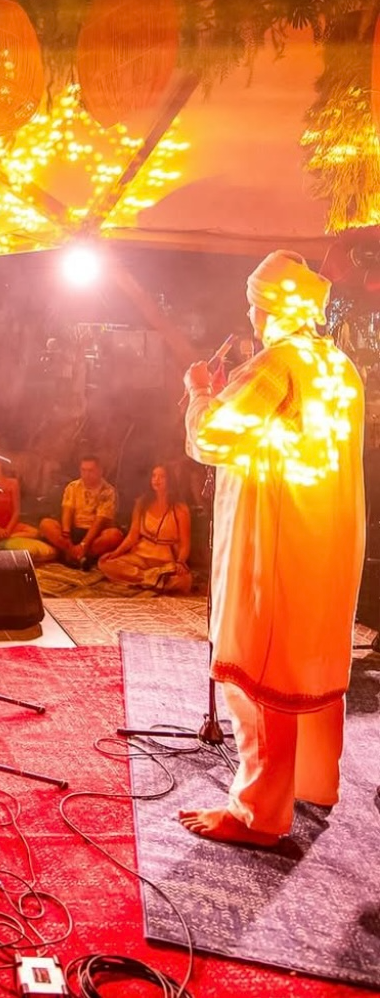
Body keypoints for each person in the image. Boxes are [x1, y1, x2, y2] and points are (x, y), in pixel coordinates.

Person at [178, 251, 364, 848]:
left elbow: (211, 437)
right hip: (326, 542)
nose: (250, 316)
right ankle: (313, 782)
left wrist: (199, 392)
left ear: (269, 308)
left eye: (253, 305)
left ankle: (257, 814)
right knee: (310, 660)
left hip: (276, 544)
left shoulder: (276, 365)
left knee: (260, 669)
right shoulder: (339, 366)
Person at [98, 464, 192, 594]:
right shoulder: (142, 503)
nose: (156, 480)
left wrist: (180, 562)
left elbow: (185, 544)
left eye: (162, 477)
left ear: (170, 480)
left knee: (184, 581)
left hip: (165, 562)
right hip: (140, 557)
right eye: (154, 476)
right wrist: (116, 553)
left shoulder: (180, 509)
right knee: (105, 563)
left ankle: (145, 579)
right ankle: (153, 579)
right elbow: (132, 535)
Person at [37, 455, 123, 568]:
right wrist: (66, 535)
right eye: (83, 470)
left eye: (90, 471)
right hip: (73, 531)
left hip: (94, 534)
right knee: (46, 524)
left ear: (100, 471)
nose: (86, 474)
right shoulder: (73, 486)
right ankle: (75, 554)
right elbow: (67, 511)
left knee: (114, 535)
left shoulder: (108, 491)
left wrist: (84, 544)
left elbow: (99, 521)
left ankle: (78, 555)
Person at [0, 447, 42, 548]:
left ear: (1, 463)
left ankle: (0, 539)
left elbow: (16, 511)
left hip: (8, 524)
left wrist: (7, 530)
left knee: (35, 532)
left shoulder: (13, 483)